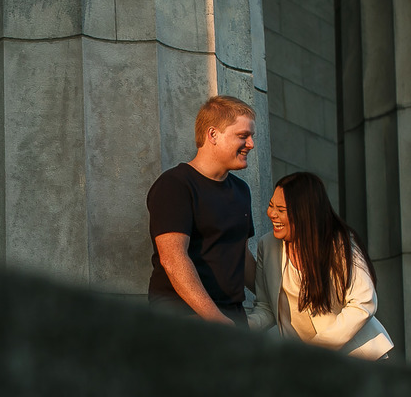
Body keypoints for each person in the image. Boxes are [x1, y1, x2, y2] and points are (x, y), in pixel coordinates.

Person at [249, 172, 394, 360]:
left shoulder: (339, 244)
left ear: (304, 213)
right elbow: (266, 308)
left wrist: (318, 349)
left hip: (358, 360)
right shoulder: (267, 245)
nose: (272, 214)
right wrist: (234, 325)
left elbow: (362, 302)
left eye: (281, 209)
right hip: (309, 366)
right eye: (271, 206)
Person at [146, 95, 257, 327]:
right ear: (213, 134)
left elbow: (242, 257)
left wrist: (284, 298)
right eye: (243, 136)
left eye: (251, 137)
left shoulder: (241, 190)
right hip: (184, 318)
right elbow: (173, 259)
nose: (251, 144)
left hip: (233, 317)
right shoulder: (175, 184)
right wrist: (214, 318)